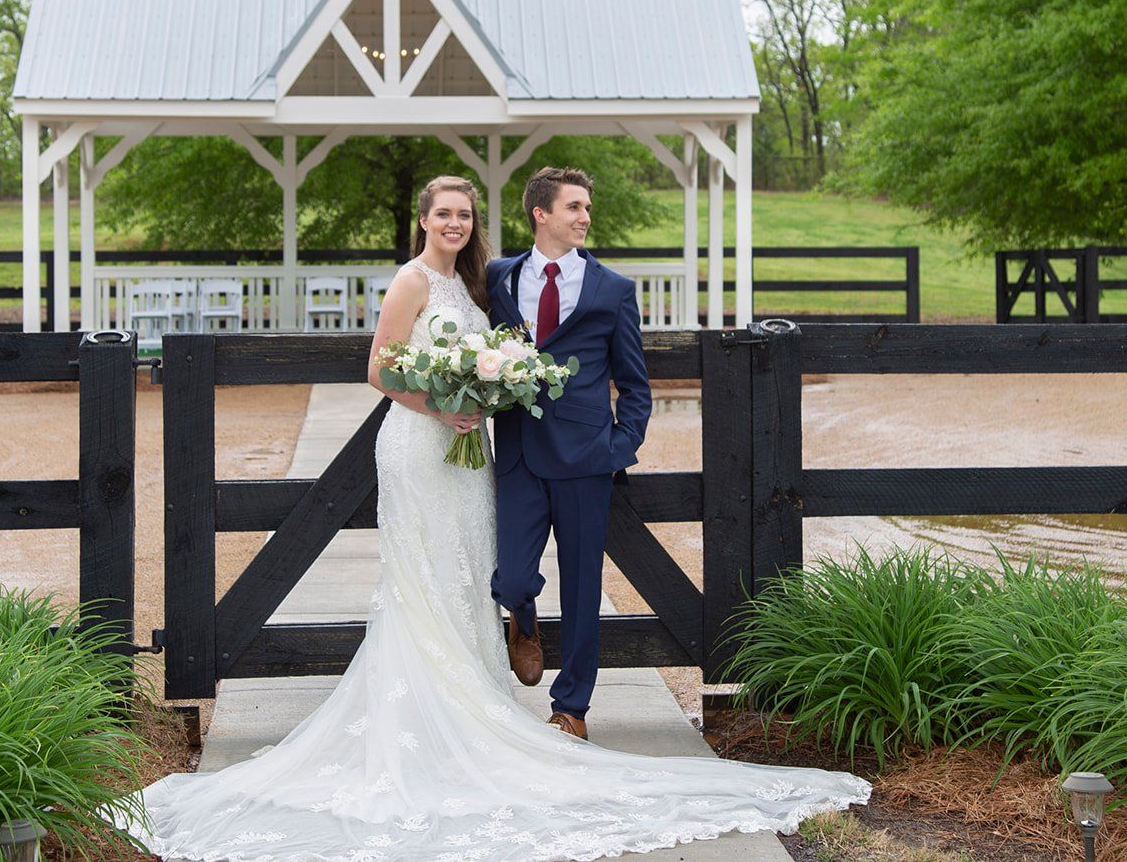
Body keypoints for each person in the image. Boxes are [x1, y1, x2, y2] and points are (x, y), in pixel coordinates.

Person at [108, 175, 869, 861]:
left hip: (547, 456)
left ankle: (550, 708)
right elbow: (382, 363)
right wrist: (443, 401)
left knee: (513, 572)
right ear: (436, 219)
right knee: (480, 573)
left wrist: (618, 444)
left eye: (465, 214)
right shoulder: (460, 278)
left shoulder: (538, 285)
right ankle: (479, 665)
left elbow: (623, 378)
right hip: (457, 450)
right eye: (445, 213)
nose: (457, 223)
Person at [485, 167, 650, 740]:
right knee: (510, 577)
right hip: (518, 456)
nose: (584, 217)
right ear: (541, 213)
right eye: (574, 207)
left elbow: (635, 385)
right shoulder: (499, 279)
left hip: (586, 461)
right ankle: (521, 619)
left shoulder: (613, 290)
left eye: (586, 207)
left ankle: (571, 707)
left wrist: (617, 448)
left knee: (583, 589)